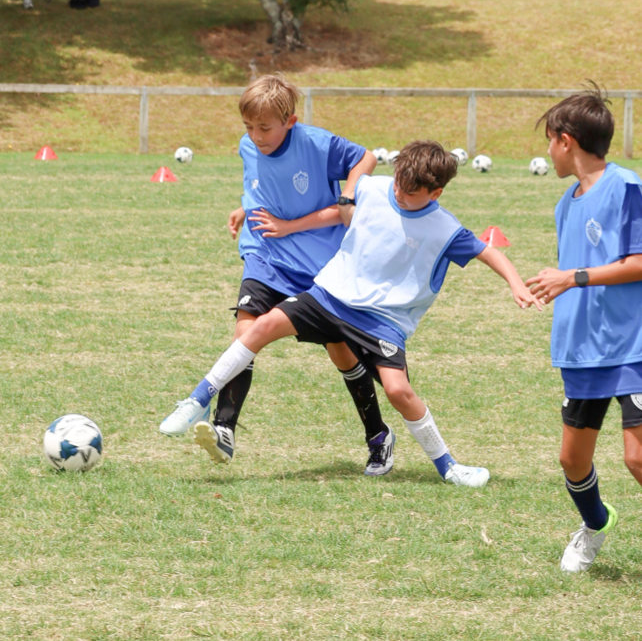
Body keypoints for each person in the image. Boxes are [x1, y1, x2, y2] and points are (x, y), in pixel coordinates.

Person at [169, 139, 541, 488]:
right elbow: (327, 206)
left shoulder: (445, 228)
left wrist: (515, 283)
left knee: (398, 390)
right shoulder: (374, 187)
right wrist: (250, 207)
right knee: (261, 326)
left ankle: (448, 466)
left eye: (410, 194)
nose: (399, 194)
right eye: (398, 184)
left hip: (384, 320)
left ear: (436, 193)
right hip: (331, 295)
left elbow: (487, 251)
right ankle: (198, 400)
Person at [161, 74, 397, 477]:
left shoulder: (315, 143)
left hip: (317, 265)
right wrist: (244, 209)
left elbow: (367, 158)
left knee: (341, 352)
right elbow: (259, 186)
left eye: (264, 128)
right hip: (265, 256)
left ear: (290, 120)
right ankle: (224, 429)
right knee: (245, 332)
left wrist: (347, 193)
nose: (255, 136)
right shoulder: (247, 146)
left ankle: (378, 436)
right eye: (248, 127)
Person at [526, 86, 642, 573]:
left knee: (638, 459)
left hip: (631, 344)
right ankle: (594, 524)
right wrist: (554, 287)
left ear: (566, 140)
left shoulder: (626, 185)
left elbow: (637, 261)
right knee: (572, 460)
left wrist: (572, 277)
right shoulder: (565, 204)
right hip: (580, 349)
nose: (548, 151)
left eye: (549, 140)